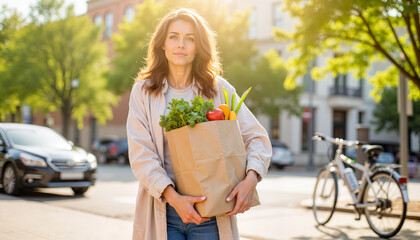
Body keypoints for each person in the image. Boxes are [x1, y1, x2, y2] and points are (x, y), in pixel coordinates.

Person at [127, 8, 272, 240]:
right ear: (162, 44)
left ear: (198, 47)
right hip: (164, 212)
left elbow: (257, 138)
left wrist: (251, 179)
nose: (181, 44)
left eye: (190, 38)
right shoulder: (143, 92)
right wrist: (175, 199)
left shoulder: (219, 89)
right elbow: (141, 154)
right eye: (173, 37)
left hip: (213, 215)